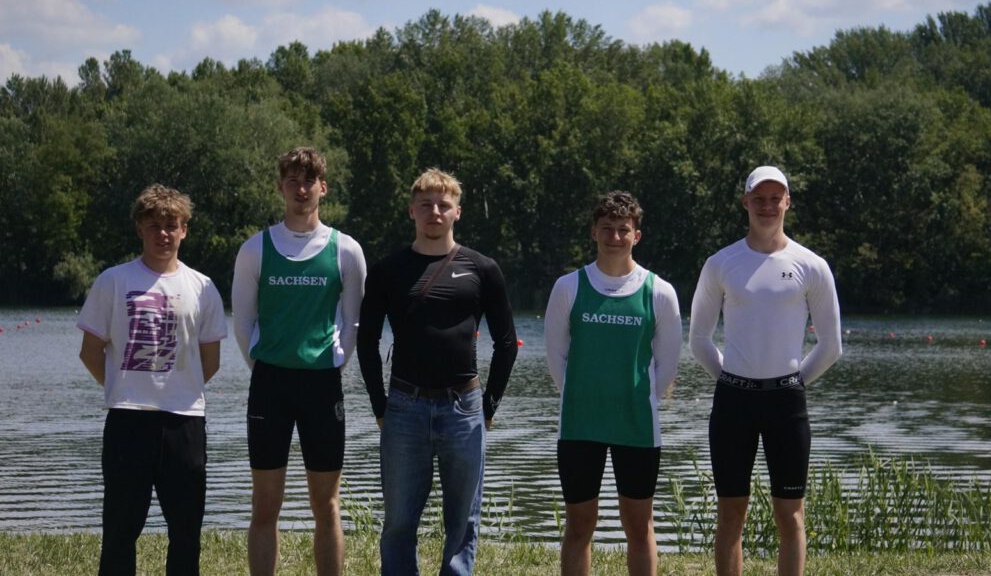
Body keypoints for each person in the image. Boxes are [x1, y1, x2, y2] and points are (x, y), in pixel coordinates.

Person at [357, 167, 518, 576]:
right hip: (404, 407)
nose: (435, 212)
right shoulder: (388, 270)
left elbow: (506, 343)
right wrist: (379, 405)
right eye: (426, 205)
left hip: (464, 409)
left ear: (457, 212)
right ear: (411, 211)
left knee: (463, 521)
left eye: (443, 205)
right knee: (398, 522)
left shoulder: (482, 268)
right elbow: (366, 342)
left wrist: (488, 407)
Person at [689, 165, 842, 576]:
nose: (767, 206)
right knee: (730, 513)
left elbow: (831, 346)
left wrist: (793, 384)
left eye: (776, 198)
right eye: (759, 198)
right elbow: (699, 339)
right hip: (733, 402)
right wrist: (730, 378)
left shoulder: (811, 265)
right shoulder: (721, 263)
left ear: (788, 202)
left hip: (786, 405)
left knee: (790, 515)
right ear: (745, 202)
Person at [78, 184, 227, 576]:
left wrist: (177, 388)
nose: (163, 233)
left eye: (171, 225)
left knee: (186, 533)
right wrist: (122, 386)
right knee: (120, 532)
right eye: (154, 225)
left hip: (184, 421)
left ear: (184, 230)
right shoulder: (113, 281)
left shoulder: (203, 287)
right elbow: (90, 352)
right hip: (128, 420)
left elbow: (210, 361)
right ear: (139, 229)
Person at [232, 147, 366, 576]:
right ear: (280, 187)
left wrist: (331, 365)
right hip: (269, 385)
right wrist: (267, 367)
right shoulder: (255, 249)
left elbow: (353, 324)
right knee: (264, 504)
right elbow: (243, 323)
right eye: (293, 181)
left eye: (309, 181)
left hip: (322, 385)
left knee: (326, 504)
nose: (301, 189)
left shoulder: (346, 250)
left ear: (323, 188)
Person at [544, 191, 683, 576]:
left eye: (623, 230)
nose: (615, 237)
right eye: (607, 229)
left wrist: (634, 398)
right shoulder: (568, 287)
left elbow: (667, 366)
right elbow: (556, 360)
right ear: (594, 232)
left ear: (637, 235)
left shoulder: (659, 291)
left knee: (639, 526)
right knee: (579, 526)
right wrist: (586, 395)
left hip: (636, 425)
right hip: (580, 423)